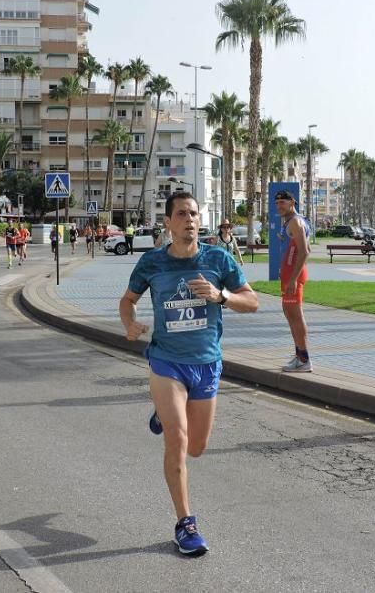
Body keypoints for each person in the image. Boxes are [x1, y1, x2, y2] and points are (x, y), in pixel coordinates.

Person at [119, 192, 258, 557]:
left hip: (207, 363)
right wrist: (129, 323)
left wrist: (220, 296)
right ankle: (186, 524)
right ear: (168, 222)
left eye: (194, 213)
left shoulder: (218, 259)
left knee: (197, 448)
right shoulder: (151, 263)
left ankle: (164, 415)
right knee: (178, 442)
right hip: (166, 361)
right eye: (181, 214)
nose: (190, 219)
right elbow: (127, 300)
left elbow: (252, 301)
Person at [274, 190, 313, 372]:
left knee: (296, 316)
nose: (279, 206)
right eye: (277, 203)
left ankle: (304, 359)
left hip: (293, 277)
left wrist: (293, 279)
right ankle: (299, 355)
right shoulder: (292, 222)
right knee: (290, 315)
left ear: (292, 203)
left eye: (283, 202)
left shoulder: (296, 222)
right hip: (289, 274)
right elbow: (305, 247)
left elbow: (305, 251)